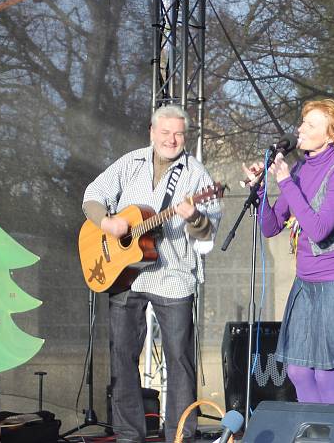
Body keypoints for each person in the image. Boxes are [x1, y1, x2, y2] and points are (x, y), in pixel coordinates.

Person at [82, 105, 221, 443]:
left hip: (172, 276)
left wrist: (193, 217)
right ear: (152, 132)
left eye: (178, 134)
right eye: (165, 132)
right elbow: (92, 196)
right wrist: (108, 222)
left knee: (179, 359)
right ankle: (130, 435)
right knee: (122, 356)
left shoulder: (197, 175)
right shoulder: (130, 163)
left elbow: (207, 237)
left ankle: (180, 435)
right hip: (125, 274)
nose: (171, 139)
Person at [242, 99, 334, 404]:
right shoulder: (300, 168)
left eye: (311, 124)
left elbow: (319, 229)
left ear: (331, 135)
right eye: (302, 122)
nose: (300, 129)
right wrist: (260, 189)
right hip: (306, 282)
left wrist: (286, 180)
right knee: (298, 371)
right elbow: (271, 226)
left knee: (325, 372)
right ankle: (315, 434)